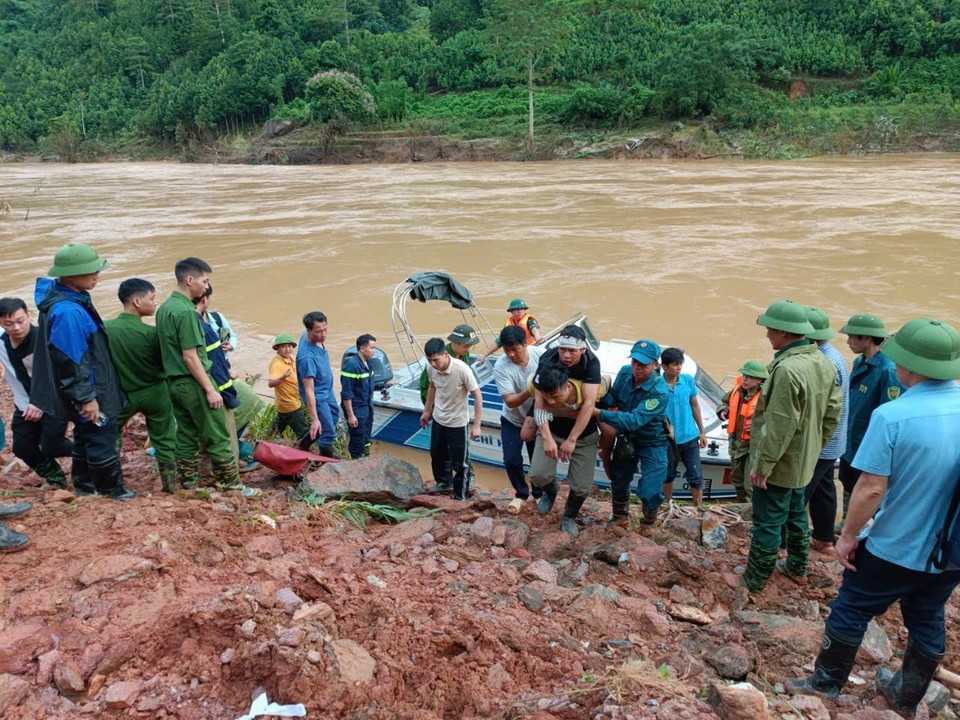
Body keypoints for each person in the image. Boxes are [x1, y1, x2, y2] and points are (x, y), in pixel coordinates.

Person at [788, 318, 960, 717]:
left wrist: (848, 536)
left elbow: (870, 488)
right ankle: (906, 696)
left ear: (911, 366)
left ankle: (825, 684)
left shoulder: (893, 416)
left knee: (852, 607)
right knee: (928, 614)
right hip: (952, 552)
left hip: (897, 546)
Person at [743, 300, 842, 592]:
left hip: (780, 462)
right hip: (804, 459)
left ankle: (755, 579)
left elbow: (779, 425)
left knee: (768, 520)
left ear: (784, 333)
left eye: (770, 330)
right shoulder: (823, 361)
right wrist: (815, 446)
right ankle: (797, 568)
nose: (767, 335)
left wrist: (763, 466)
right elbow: (833, 412)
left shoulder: (786, 369)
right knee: (797, 512)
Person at [30, 243, 135, 500]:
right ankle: (111, 492)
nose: (97, 276)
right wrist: (87, 398)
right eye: (92, 271)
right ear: (71, 275)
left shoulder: (69, 298)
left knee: (85, 435)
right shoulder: (68, 311)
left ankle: (85, 488)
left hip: (87, 385)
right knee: (101, 436)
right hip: (91, 388)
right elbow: (71, 361)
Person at [156, 257, 241, 491]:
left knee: (186, 434)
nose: (206, 286)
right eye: (204, 281)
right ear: (190, 280)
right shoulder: (186, 312)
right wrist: (210, 389)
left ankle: (188, 484)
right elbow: (191, 356)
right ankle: (233, 487)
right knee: (218, 435)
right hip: (194, 382)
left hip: (174, 383)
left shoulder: (164, 309)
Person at [103, 279, 178, 493]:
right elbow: (166, 363)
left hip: (122, 394)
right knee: (164, 439)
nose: (155, 303)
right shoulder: (152, 333)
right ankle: (170, 486)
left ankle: (114, 484)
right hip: (156, 393)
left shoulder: (106, 329)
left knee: (111, 436)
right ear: (137, 301)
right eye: (152, 298)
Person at [529, 325, 602, 536]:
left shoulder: (591, 364)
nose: (566, 355)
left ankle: (569, 515)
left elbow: (588, 404)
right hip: (552, 425)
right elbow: (539, 402)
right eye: (562, 349)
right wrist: (547, 437)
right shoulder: (547, 360)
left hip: (582, 432)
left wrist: (572, 439)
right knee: (538, 475)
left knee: (581, 487)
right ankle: (551, 490)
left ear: (583, 350)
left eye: (572, 351)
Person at [594, 340, 670, 528]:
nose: (637, 367)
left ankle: (649, 523)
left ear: (655, 365)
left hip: (652, 441)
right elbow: (614, 397)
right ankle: (619, 517)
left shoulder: (660, 391)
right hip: (626, 437)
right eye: (635, 361)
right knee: (619, 479)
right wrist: (599, 392)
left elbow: (634, 420)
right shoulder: (625, 373)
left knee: (651, 489)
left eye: (643, 364)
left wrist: (598, 413)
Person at [0, 297, 72, 487]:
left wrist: (40, 402)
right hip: (24, 403)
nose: (16, 327)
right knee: (22, 448)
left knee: (53, 446)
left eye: (20, 320)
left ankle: (93, 455)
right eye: (8, 323)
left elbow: (56, 376)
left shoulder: (44, 340)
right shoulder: (2, 340)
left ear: (28, 315)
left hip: (52, 401)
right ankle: (56, 478)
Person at [839, 313, 904, 522]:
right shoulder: (860, 362)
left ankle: (868, 527)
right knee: (848, 482)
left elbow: (891, 414)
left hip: (869, 443)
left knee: (870, 490)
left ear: (866, 338)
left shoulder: (887, 370)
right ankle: (848, 522)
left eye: (851, 337)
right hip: (851, 440)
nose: (848, 342)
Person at [802, 307, 849, 553]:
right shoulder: (834, 355)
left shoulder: (823, 361)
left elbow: (822, 408)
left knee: (799, 493)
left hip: (821, 441)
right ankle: (823, 538)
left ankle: (787, 546)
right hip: (834, 440)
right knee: (823, 489)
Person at [419, 337, 482, 500]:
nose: (433, 364)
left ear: (445, 354)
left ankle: (461, 495)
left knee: (460, 463)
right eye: (430, 360)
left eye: (436, 360)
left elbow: (477, 395)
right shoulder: (431, 367)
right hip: (439, 418)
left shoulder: (462, 369)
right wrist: (427, 411)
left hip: (458, 422)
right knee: (437, 454)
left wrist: (476, 425)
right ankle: (443, 484)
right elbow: (432, 387)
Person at [493, 325, 546, 512]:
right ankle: (521, 493)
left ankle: (539, 493)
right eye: (506, 350)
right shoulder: (501, 366)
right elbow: (510, 401)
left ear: (525, 344)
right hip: (512, 420)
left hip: (537, 419)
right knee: (511, 460)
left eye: (515, 349)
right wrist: (531, 389)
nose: (511, 354)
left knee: (537, 463)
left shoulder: (541, 355)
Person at [660, 347, 707, 509]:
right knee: (667, 475)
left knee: (696, 475)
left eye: (680, 364)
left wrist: (702, 432)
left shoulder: (687, 380)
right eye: (675, 365)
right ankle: (669, 506)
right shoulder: (657, 385)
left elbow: (695, 405)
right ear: (664, 366)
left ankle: (698, 508)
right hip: (667, 439)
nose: (679, 367)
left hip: (690, 437)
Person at [718, 361, 767, 503]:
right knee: (736, 480)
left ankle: (754, 510)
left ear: (759, 379)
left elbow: (776, 420)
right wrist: (722, 410)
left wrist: (759, 426)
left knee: (750, 485)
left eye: (750, 377)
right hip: (737, 444)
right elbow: (724, 402)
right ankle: (742, 506)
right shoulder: (738, 390)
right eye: (744, 376)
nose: (745, 379)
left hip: (754, 447)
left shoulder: (766, 396)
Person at [297, 311, 340, 459]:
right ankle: (326, 460)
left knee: (333, 419)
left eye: (325, 329)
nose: (324, 334)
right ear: (309, 330)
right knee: (328, 431)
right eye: (319, 331)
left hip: (327, 390)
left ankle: (303, 445)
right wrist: (314, 418)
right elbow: (309, 390)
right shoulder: (307, 358)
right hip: (318, 396)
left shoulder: (309, 336)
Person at [267, 333, 310, 446]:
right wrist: (282, 377)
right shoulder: (277, 364)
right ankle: (304, 450)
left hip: (287, 404)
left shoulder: (292, 359)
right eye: (283, 346)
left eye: (289, 346)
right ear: (277, 349)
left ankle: (265, 441)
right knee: (304, 433)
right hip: (290, 405)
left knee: (277, 428)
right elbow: (270, 383)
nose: (287, 349)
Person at [419, 324, 478, 404]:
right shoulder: (441, 358)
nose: (468, 350)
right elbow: (426, 386)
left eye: (471, 346)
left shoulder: (464, 353)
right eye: (466, 346)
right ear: (455, 342)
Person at [341, 334, 377, 459]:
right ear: (362, 348)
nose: (374, 351)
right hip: (356, 409)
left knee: (366, 437)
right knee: (357, 439)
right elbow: (346, 394)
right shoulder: (351, 367)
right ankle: (356, 461)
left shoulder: (369, 363)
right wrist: (351, 415)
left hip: (367, 406)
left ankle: (366, 456)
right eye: (372, 348)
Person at [478, 299, 543, 363]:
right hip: (516, 353)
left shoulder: (529, 320)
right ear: (511, 311)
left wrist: (537, 337)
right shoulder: (509, 324)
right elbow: (500, 341)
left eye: (522, 309)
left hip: (531, 349)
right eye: (516, 309)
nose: (519, 311)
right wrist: (484, 356)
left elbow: (534, 328)